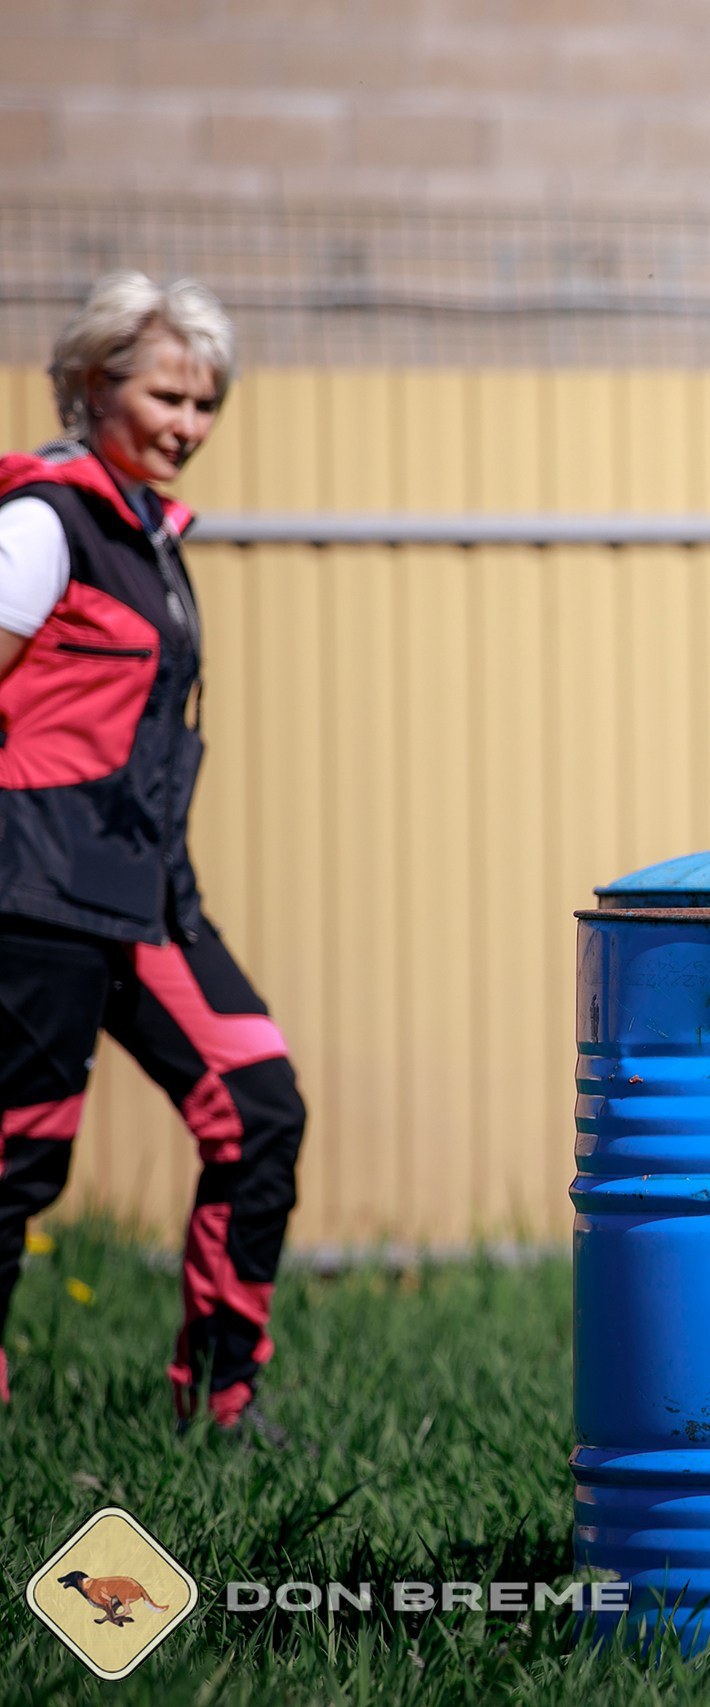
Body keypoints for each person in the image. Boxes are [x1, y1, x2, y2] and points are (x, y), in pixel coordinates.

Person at [0, 274, 305, 1442]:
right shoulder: (46, 523)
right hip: (36, 894)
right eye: (165, 395)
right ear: (89, 386)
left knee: (262, 1106)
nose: (188, 423)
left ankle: (222, 1405)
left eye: (206, 402)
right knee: (20, 1167)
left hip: (147, 900)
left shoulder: (152, 537)